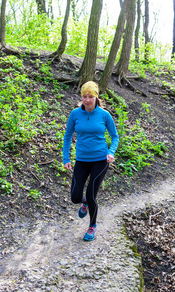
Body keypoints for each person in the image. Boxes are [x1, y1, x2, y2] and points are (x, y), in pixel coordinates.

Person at [63, 81, 119, 241]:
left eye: (90, 97)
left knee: (91, 193)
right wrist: (66, 157)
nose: (87, 100)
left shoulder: (104, 115)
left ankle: (92, 226)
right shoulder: (75, 114)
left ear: (96, 97)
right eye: (84, 96)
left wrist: (111, 152)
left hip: (100, 160)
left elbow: (115, 136)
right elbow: (67, 137)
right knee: (75, 196)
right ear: (81, 97)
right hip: (81, 159)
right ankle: (84, 202)